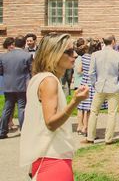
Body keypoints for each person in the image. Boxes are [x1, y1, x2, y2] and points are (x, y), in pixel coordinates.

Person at [19, 33, 89, 181]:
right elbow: (51, 123)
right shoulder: (50, 81)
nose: (75, 55)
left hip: (43, 157)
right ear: (54, 54)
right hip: (53, 159)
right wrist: (74, 102)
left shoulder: (38, 79)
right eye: (69, 51)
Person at [85, 35, 119, 145]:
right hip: (114, 87)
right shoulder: (118, 55)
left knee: (94, 112)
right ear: (113, 42)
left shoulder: (95, 54)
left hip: (100, 86)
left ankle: (90, 136)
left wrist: (95, 84)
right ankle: (108, 138)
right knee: (112, 113)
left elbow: (91, 72)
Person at [0, 35, 33, 139]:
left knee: (7, 108)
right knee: (21, 108)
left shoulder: (3, 56)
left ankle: (2, 131)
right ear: (24, 44)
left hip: (8, 85)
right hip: (22, 85)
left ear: (14, 44)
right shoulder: (27, 56)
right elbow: (31, 70)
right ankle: (24, 131)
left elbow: (1, 71)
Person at [77, 39, 100, 136]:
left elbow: (79, 70)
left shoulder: (84, 57)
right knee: (90, 108)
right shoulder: (96, 58)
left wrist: (85, 74)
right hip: (92, 83)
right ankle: (86, 128)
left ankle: (80, 126)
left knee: (81, 106)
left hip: (83, 82)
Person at [72, 39, 87, 133]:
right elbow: (79, 71)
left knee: (79, 107)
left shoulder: (76, 59)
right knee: (84, 107)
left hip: (77, 83)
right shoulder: (82, 59)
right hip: (82, 83)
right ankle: (83, 126)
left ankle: (79, 125)